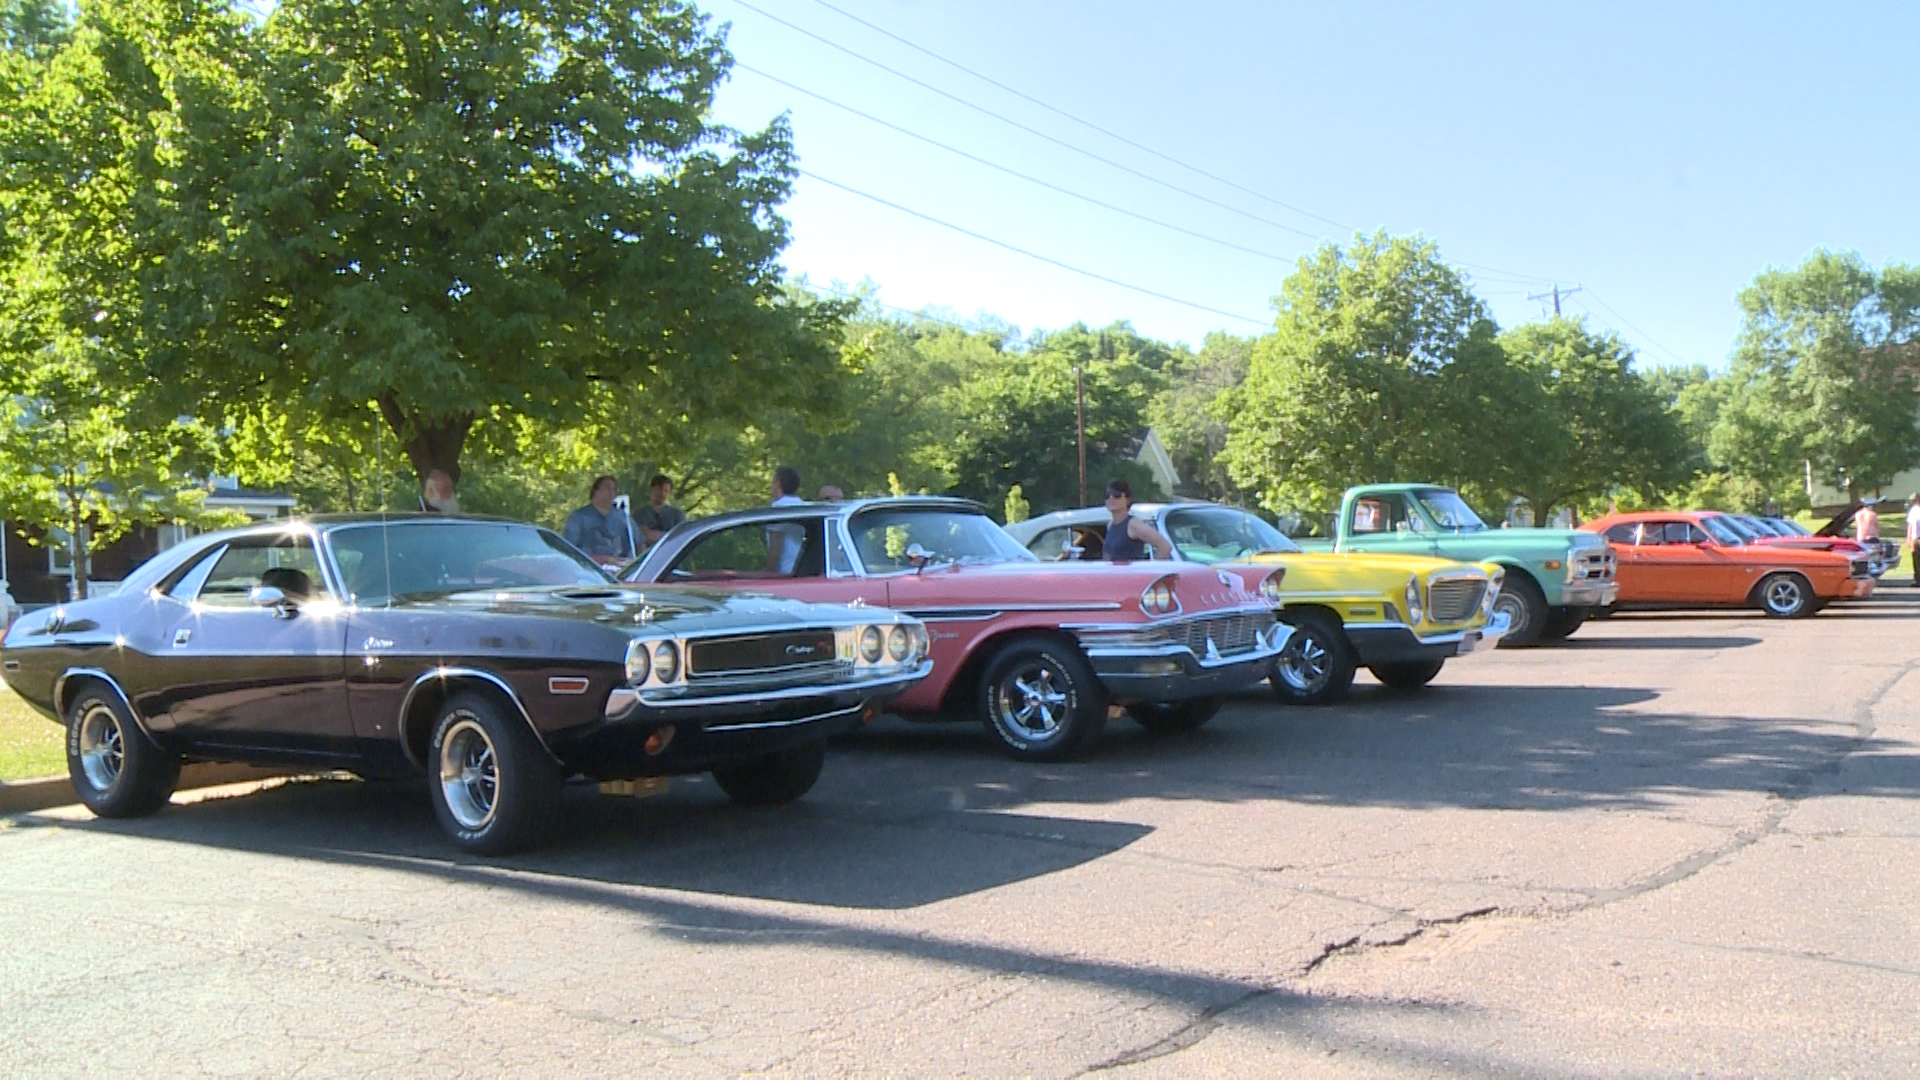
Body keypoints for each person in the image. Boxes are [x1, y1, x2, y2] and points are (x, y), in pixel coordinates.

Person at [562, 475, 640, 568]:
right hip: (589, 572)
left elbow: (639, 544)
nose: (611, 491)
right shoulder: (578, 517)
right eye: (607, 487)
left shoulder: (623, 518)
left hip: (622, 573)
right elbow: (568, 550)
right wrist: (605, 559)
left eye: (614, 489)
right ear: (595, 491)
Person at [1099, 478, 1172, 561]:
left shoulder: (1133, 524)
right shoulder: (1110, 525)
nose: (1111, 498)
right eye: (1107, 495)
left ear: (1127, 499)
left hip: (1131, 573)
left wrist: (1154, 571)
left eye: (1117, 495)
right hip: (1113, 573)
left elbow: (1164, 546)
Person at [766, 465, 806, 574]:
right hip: (802, 568)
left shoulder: (778, 509)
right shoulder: (803, 507)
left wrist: (770, 574)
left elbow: (775, 551)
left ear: (778, 483)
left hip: (784, 571)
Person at [635, 474, 686, 546]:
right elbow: (638, 538)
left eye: (666, 491)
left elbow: (681, 537)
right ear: (651, 490)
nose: (662, 494)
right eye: (659, 490)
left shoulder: (677, 515)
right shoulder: (639, 514)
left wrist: (651, 534)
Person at [1906, 494, 1920, 588]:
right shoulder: (1913, 510)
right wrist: (1908, 538)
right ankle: (1918, 580)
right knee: (1916, 560)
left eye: (1915, 500)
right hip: (1916, 538)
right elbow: (1910, 525)